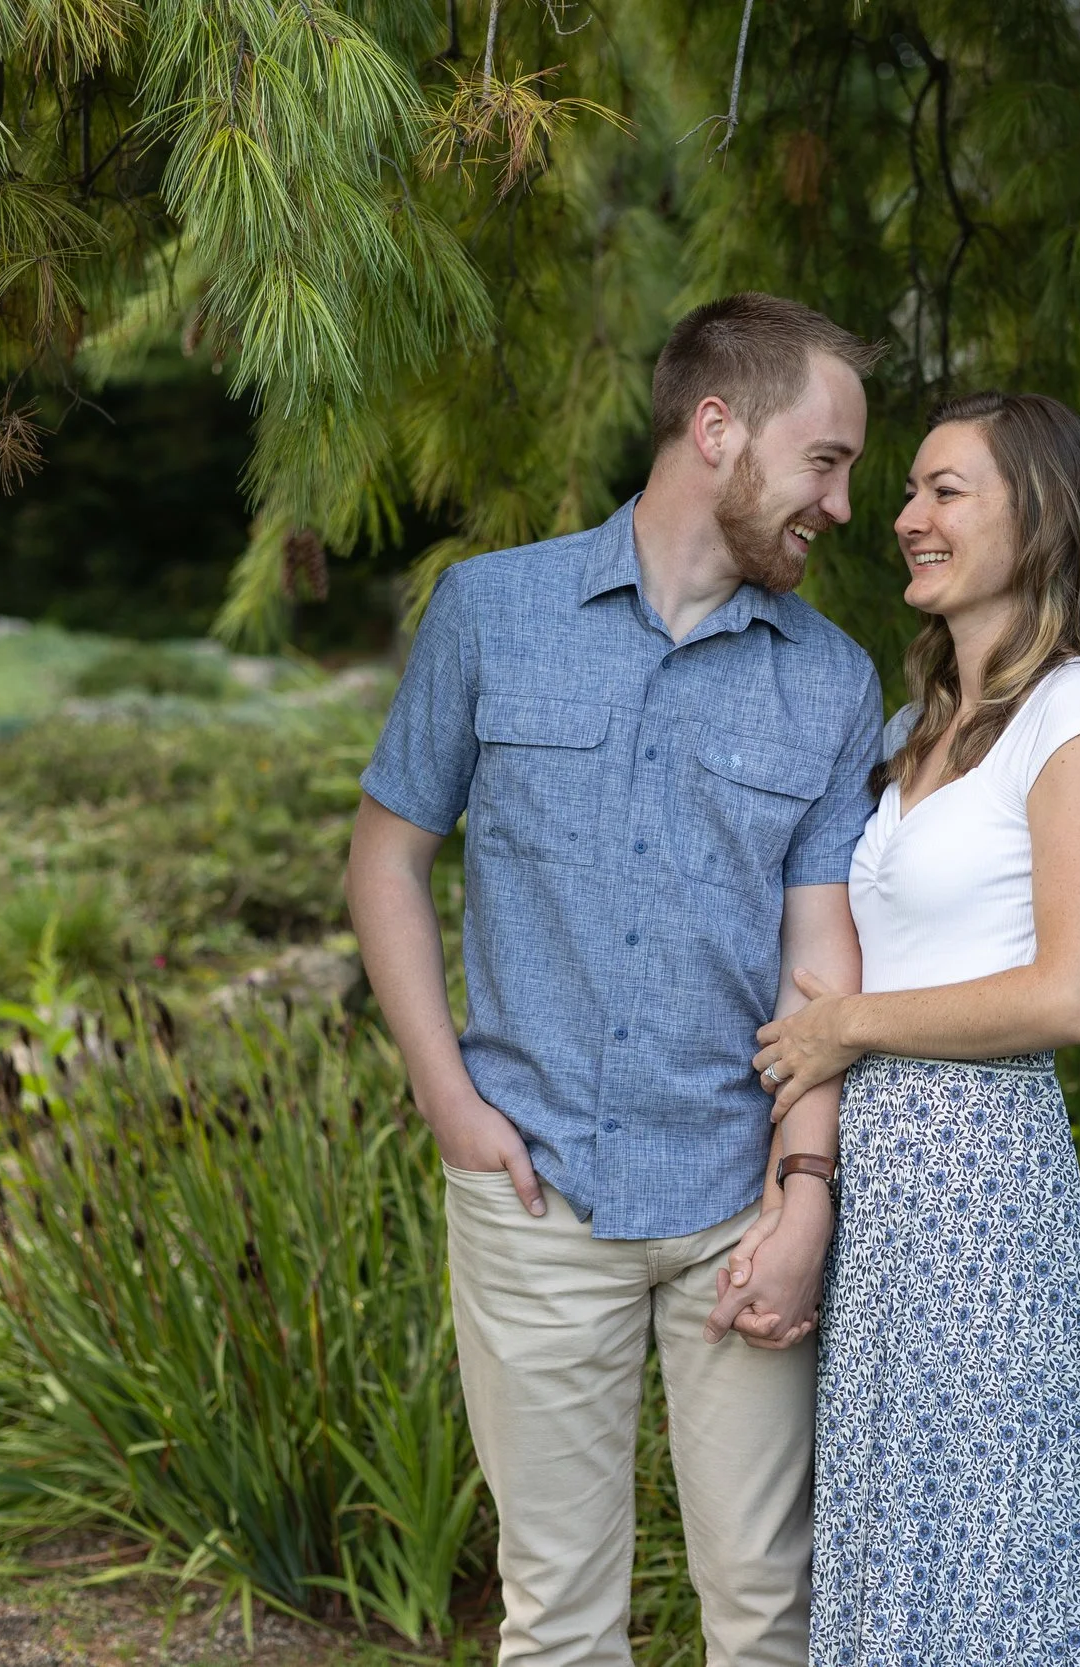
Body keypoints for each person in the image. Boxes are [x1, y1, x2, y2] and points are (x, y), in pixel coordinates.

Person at [346, 293, 887, 1667]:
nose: (842, 504)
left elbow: (821, 963)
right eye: (825, 462)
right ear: (717, 429)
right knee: (559, 1615)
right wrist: (448, 1101)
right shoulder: (492, 611)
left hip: (737, 1204)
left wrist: (806, 1187)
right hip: (534, 1190)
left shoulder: (833, 681)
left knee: (766, 1606)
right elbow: (386, 858)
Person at [732, 391, 1080, 1663]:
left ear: (1042, 513)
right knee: (890, 1546)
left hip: (981, 1182)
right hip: (881, 1187)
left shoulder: (1076, 716)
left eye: (945, 490)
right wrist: (796, 1177)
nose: (907, 516)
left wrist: (852, 1024)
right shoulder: (910, 730)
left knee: (985, 1554)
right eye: (909, 490)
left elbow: (1075, 993)